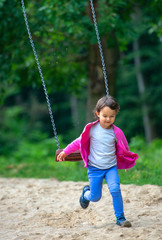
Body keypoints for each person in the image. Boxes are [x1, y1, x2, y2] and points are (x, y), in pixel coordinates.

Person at [57, 95, 138, 227]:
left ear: (116, 115)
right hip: (95, 169)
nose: (108, 119)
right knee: (95, 197)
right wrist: (65, 151)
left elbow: (124, 148)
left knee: (115, 189)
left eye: (112, 116)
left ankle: (120, 218)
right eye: (105, 116)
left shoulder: (116, 132)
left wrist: (126, 162)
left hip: (111, 167)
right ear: (98, 114)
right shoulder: (92, 130)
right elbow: (78, 142)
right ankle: (85, 194)